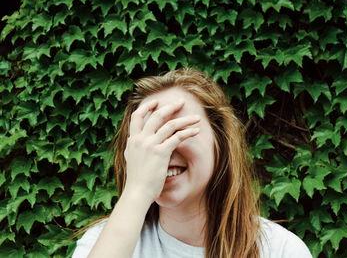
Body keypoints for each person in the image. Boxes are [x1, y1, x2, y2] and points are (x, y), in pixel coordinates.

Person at [71, 67, 312, 258]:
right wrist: (137, 190)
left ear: (220, 142)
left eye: (180, 130)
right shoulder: (102, 243)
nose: (161, 148)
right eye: (148, 134)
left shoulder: (280, 250)